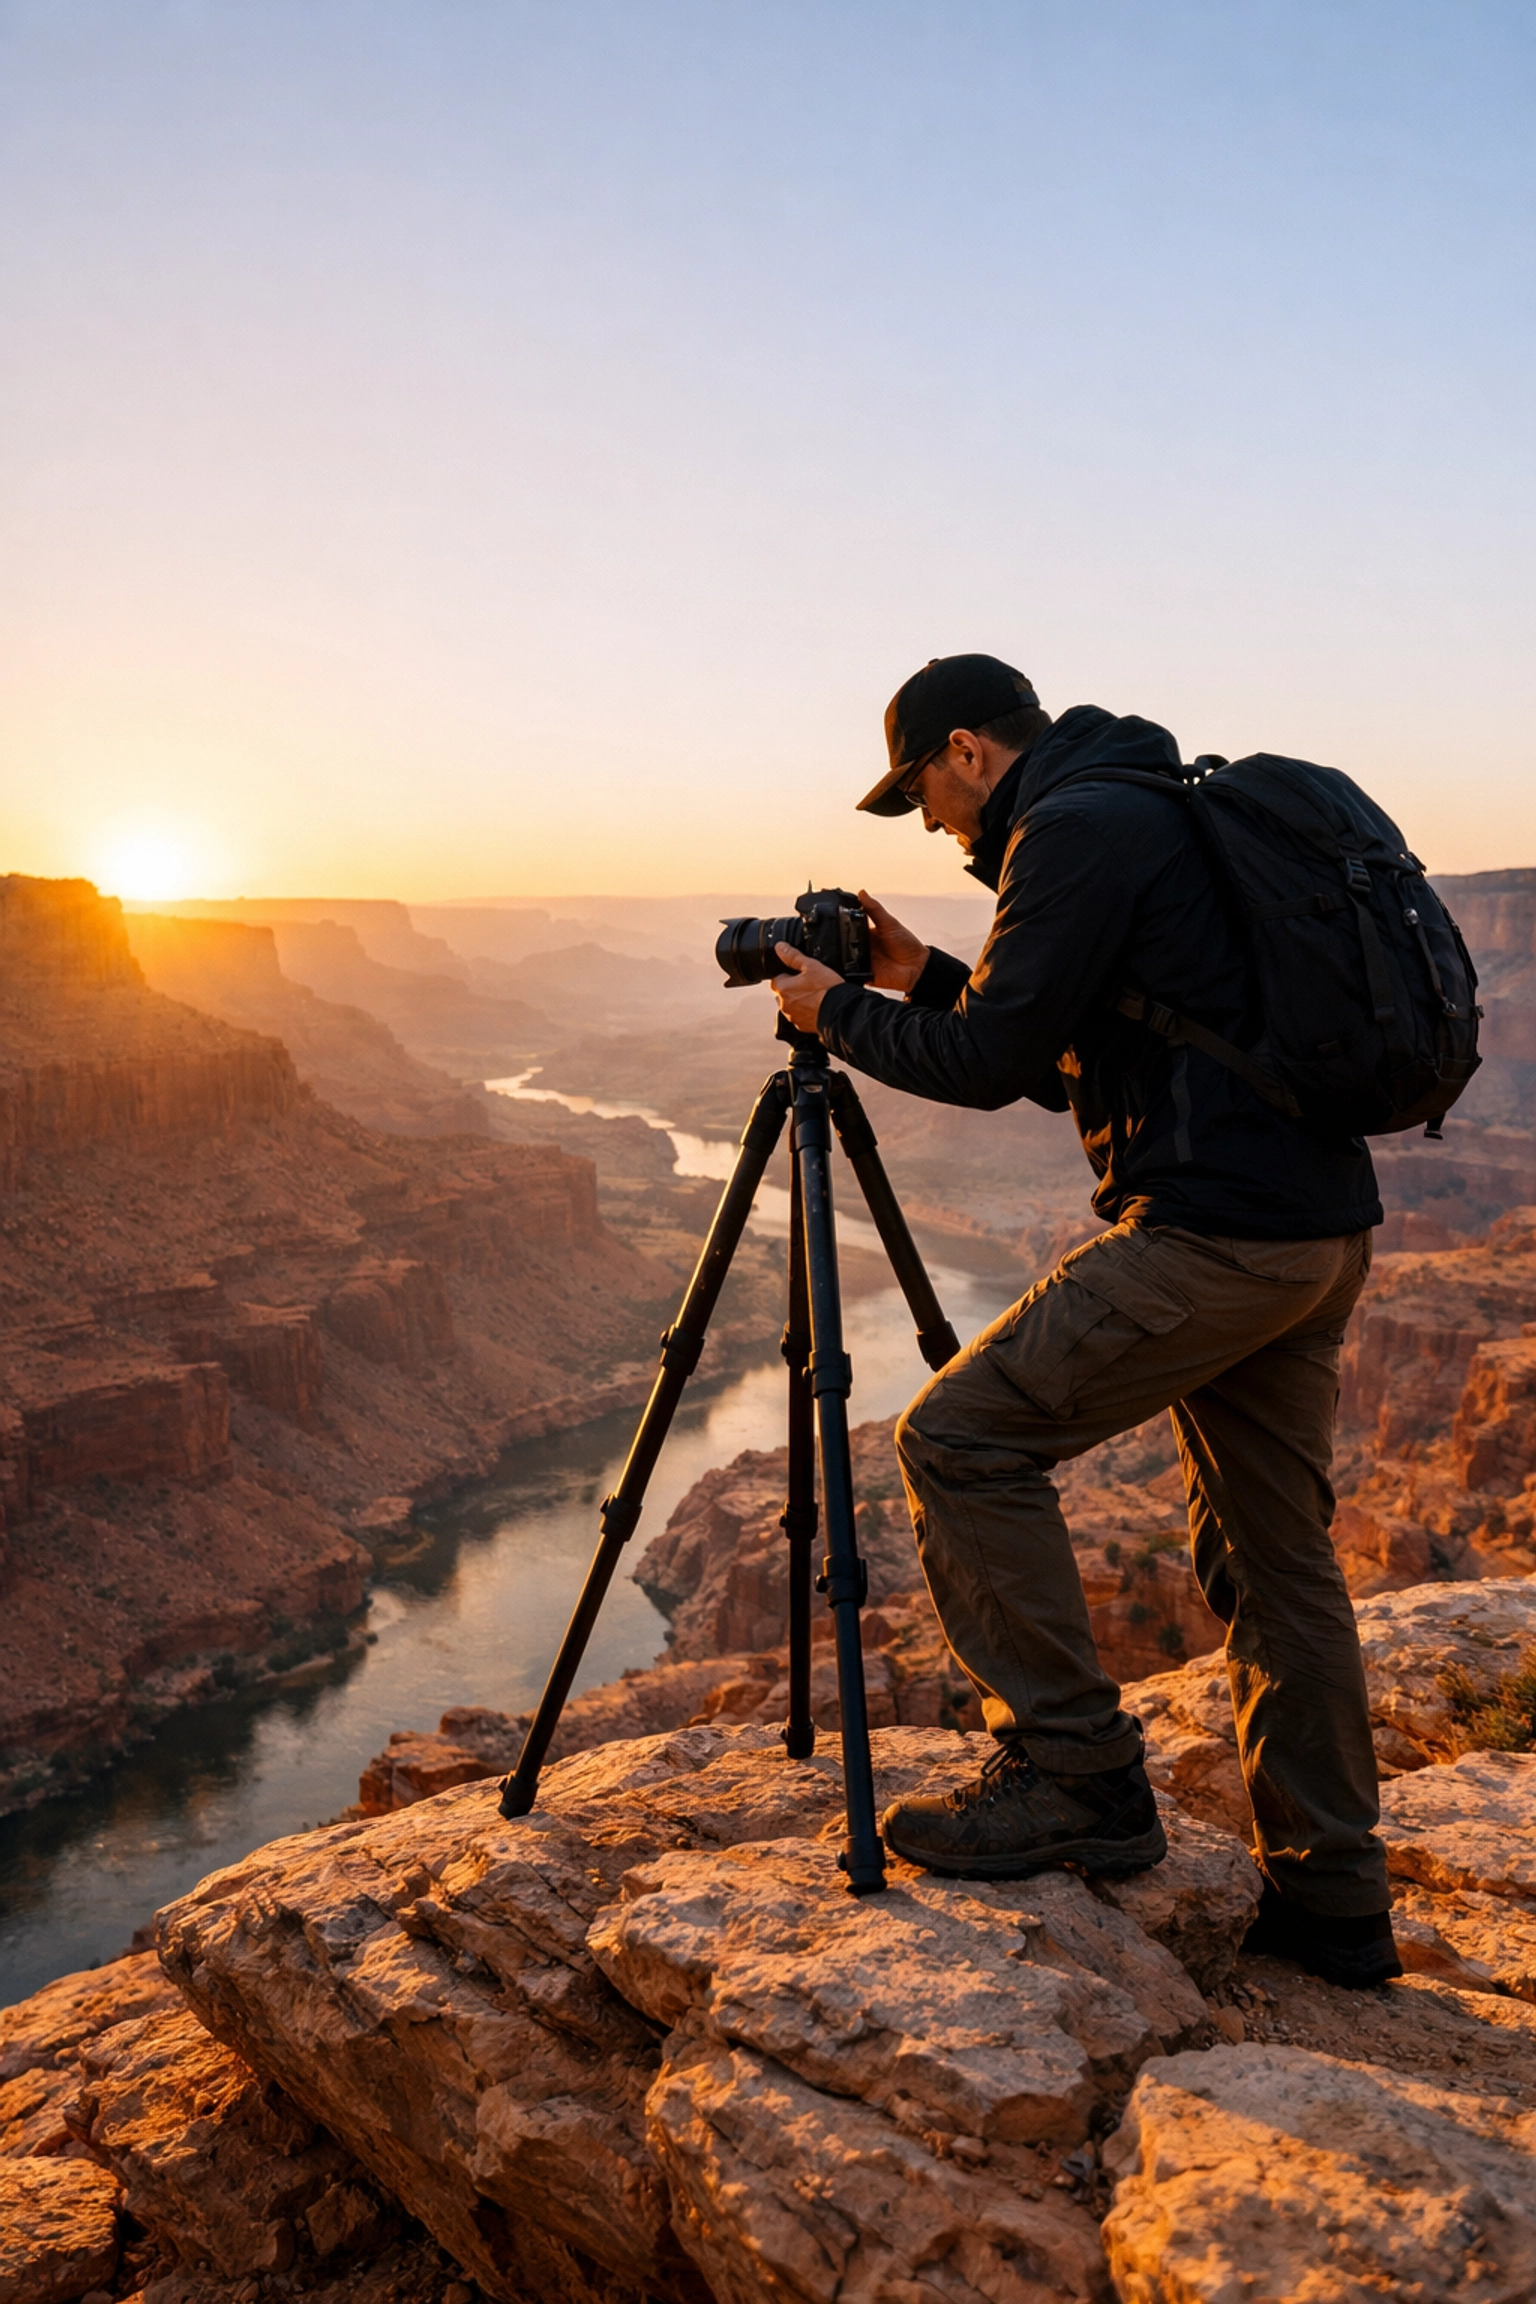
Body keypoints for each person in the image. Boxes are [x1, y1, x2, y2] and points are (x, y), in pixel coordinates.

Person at [770, 652, 1401, 1990]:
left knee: (958, 1440)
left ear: (964, 752)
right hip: (1314, 1233)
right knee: (1275, 1562)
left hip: (1216, 1236)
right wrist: (927, 972)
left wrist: (841, 1013)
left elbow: (995, 1068)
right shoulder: (1143, 801)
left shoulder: (1068, 831)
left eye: (923, 796)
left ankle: (1075, 1775)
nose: (933, 827)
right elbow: (1076, 1058)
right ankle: (1337, 1906)